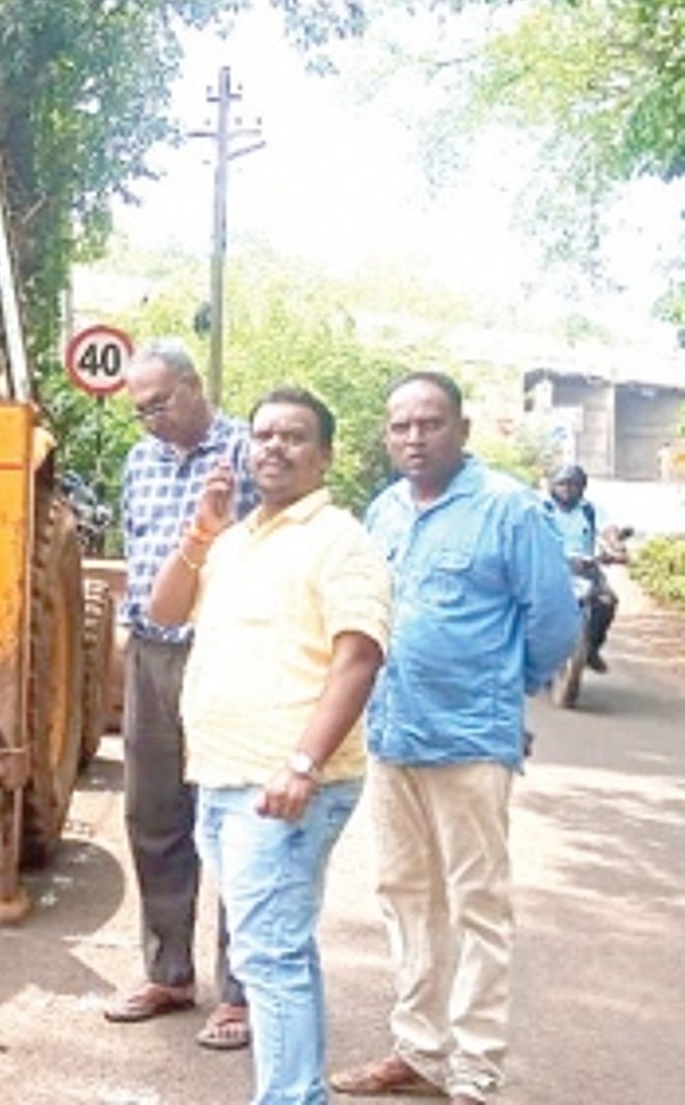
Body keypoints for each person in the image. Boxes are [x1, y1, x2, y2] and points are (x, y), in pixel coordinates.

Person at [331, 371, 578, 1105]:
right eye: (401, 424)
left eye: (430, 423)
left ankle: (474, 1070)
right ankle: (417, 1048)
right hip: (392, 733)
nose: (415, 436)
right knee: (404, 894)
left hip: (470, 739)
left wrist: (503, 691)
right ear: (386, 434)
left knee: (477, 904)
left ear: (461, 430)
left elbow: (554, 623)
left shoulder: (509, 509)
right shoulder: (383, 512)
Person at [149, 385, 391, 1105]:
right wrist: (200, 530)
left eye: (293, 436)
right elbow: (163, 611)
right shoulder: (234, 537)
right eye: (262, 435)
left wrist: (302, 764)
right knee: (279, 947)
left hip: (283, 784)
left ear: (325, 455)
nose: (274, 448)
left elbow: (359, 656)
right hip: (224, 777)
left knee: (267, 956)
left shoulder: (339, 538)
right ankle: (300, 1090)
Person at [104, 338, 258, 1051]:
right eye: (140, 411)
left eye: (160, 404)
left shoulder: (249, 454)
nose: (151, 421)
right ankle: (168, 971)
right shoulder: (138, 462)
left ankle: (242, 990)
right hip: (152, 656)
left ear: (195, 386)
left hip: (225, 654)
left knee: (231, 817)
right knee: (153, 812)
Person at [544, 462, 619, 671]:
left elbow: (608, 530)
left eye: (574, 484)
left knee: (607, 601)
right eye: (562, 484)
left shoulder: (590, 510)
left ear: (583, 487)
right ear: (552, 485)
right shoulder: (540, 507)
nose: (567, 489)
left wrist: (616, 547)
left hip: (584, 567)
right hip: (546, 567)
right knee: (522, 600)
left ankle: (591, 648)